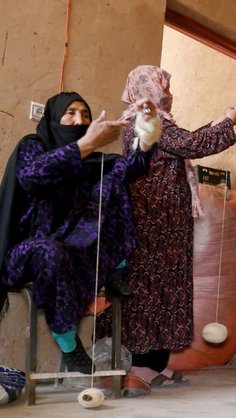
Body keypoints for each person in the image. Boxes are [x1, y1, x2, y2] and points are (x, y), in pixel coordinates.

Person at [107, 65, 236, 394]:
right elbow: (194, 144)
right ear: (148, 90)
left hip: (168, 223)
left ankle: (155, 365)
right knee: (150, 291)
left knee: (167, 291)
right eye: (162, 87)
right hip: (153, 219)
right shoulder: (146, 121)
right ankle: (139, 368)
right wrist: (228, 121)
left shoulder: (157, 124)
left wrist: (214, 125)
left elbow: (185, 142)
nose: (168, 93)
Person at [0, 92, 157, 373]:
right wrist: (86, 143)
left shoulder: (92, 161)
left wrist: (147, 129)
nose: (79, 120)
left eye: (85, 114)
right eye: (70, 113)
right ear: (53, 117)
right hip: (27, 253)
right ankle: (69, 343)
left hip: (76, 254)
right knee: (50, 250)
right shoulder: (33, 146)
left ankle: (115, 265)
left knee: (110, 178)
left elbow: (131, 167)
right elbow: (32, 176)